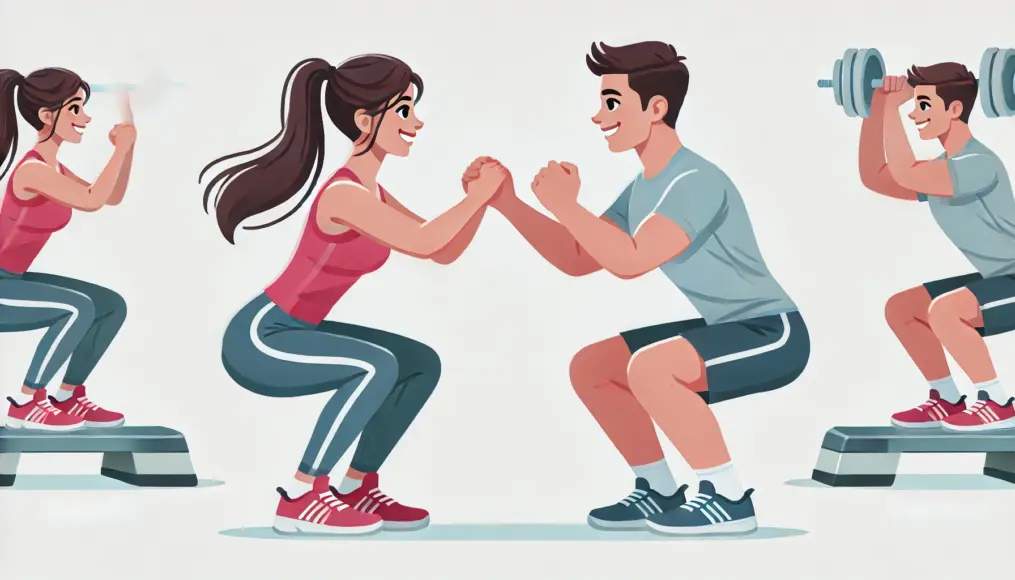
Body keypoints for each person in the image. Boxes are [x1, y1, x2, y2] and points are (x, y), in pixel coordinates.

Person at [464, 42, 810, 536]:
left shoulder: (693, 180)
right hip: (728, 327)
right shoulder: (645, 184)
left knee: (651, 368)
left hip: (772, 334)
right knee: (595, 367)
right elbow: (581, 257)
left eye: (611, 103)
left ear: (655, 108)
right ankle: (659, 490)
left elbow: (631, 262)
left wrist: (566, 205)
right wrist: (508, 202)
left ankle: (729, 498)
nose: (597, 117)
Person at [201, 55, 506, 536]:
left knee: (418, 362)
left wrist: (482, 201)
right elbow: (426, 240)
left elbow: (439, 252)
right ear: (365, 121)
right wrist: (474, 197)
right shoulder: (345, 196)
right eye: (404, 110)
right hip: (261, 336)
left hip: (300, 330)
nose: (417, 121)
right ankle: (302, 496)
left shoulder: (374, 193)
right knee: (375, 365)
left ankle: (355, 487)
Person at [859, 65, 1015, 431]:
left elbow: (906, 172)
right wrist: (878, 107)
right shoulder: (943, 169)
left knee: (945, 311)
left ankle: (998, 401)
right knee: (904, 309)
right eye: (913, 105)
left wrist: (893, 110)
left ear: (955, 110)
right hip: (1001, 278)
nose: (913, 114)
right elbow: (876, 177)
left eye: (923, 105)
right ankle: (946, 398)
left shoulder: (978, 164)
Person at [0, 67, 135, 432]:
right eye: (76, 109)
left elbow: (110, 197)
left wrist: (128, 146)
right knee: (78, 307)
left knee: (110, 306)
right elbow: (92, 200)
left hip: (12, 281)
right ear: (47, 116)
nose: (86, 118)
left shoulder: (53, 166)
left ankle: (67, 395)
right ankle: (27, 402)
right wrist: (121, 148)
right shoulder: (31, 172)